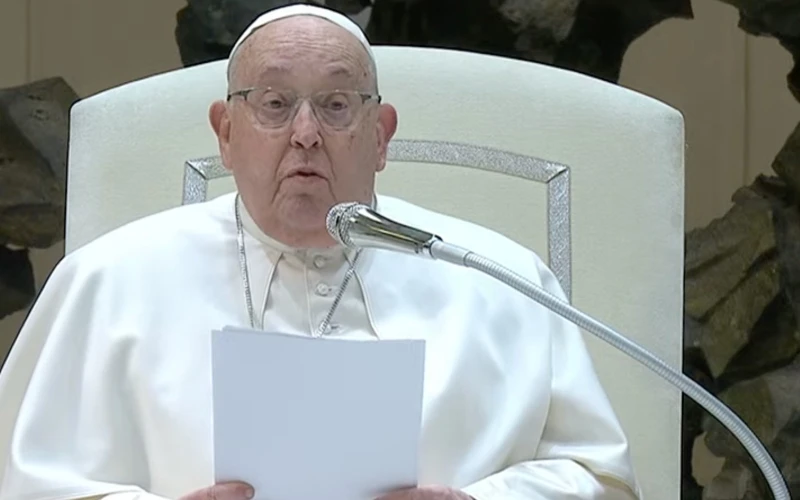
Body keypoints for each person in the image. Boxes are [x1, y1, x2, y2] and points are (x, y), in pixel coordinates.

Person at [0, 5, 641, 500]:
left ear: (380, 136)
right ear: (226, 133)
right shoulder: (107, 281)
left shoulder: (499, 279)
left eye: (336, 106)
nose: (305, 134)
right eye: (275, 104)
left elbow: (601, 480)